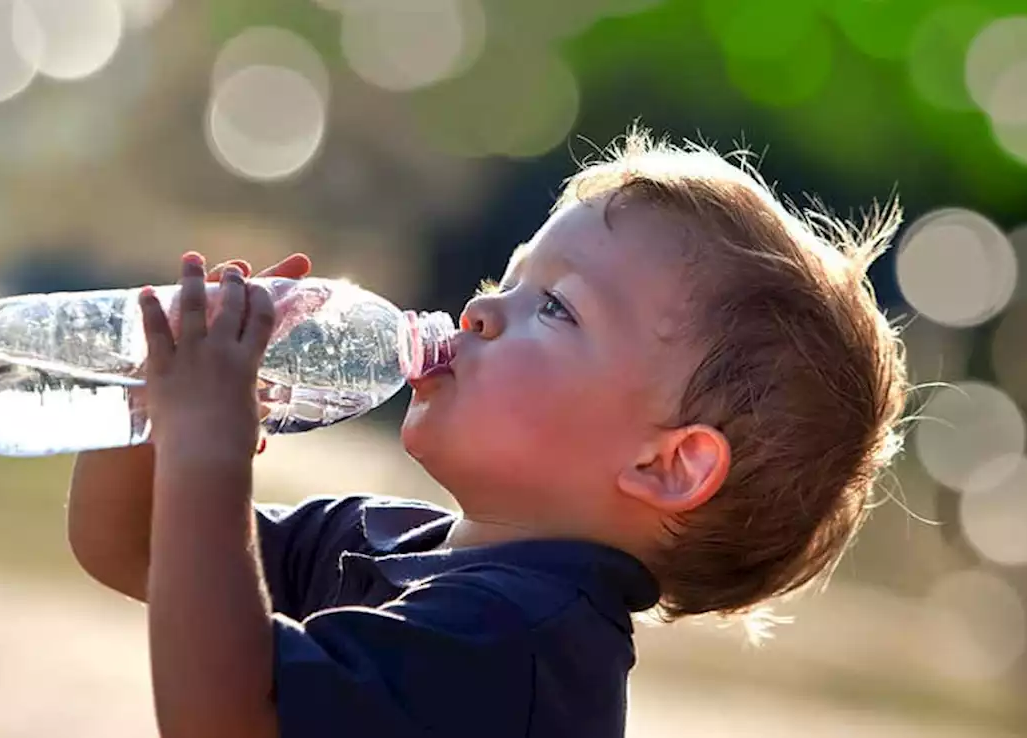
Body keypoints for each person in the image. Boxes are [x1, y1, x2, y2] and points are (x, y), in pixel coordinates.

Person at [66, 128, 909, 737]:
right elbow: (130, 544)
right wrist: (152, 398)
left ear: (667, 463)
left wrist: (208, 452)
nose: (478, 310)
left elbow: (223, 718)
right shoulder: (382, 539)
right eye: (503, 278)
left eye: (554, 306)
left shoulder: (520, 645)